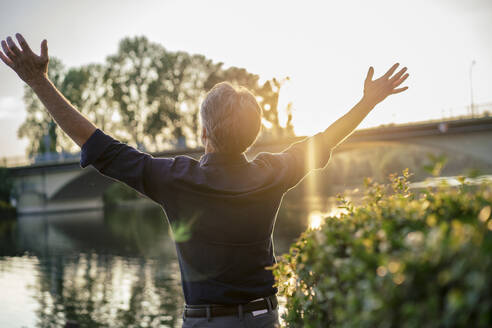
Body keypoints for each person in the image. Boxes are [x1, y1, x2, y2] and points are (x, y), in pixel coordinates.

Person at [0, 34, 409, 328]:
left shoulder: (174, 178)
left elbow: (97, 144)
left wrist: (39, 81)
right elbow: (326, 139)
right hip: (265, 317)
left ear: (203, 134)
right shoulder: (272, 173)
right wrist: (368, 101)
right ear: (253, 135)